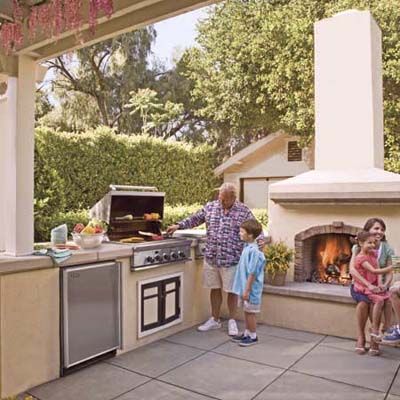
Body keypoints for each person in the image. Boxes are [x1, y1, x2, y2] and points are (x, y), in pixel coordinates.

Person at [166, 183, 264, 336]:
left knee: (232, 291)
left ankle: (232, 321)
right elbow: (195, 219)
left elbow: (256, 228)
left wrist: (260, 241)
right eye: (220, 198)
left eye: (225, 200)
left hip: (231, 259)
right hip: (212, 257)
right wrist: (178, 225)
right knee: (214, 288)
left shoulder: (243, 211)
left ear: (233, 198)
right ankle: (215, 319)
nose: (221, 202)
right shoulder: (211, 207)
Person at [350, 217, 395, 354]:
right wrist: (368, 285)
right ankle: (361, 337)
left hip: (379, 286)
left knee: (379, 300)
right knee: (364, 302)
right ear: (367, 230)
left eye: (382, 229)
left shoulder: (389, 248)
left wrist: (385, 285)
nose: (379, 231)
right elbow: (352, 270)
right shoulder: (357, 247)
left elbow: (394, 270)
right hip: (361, 285)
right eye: (376, 228)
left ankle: (375, 337)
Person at [230, 219, 265, 346]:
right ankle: (247, 333)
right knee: (247, 311)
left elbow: (252, 272)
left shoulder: (254, 251)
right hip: (245, 288)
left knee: (251, 313)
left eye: (241, 231)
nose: (239, 233)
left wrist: (247, 290)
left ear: (250, 235)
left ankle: (253, 336)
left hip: (251, 289)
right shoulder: (247, 247)